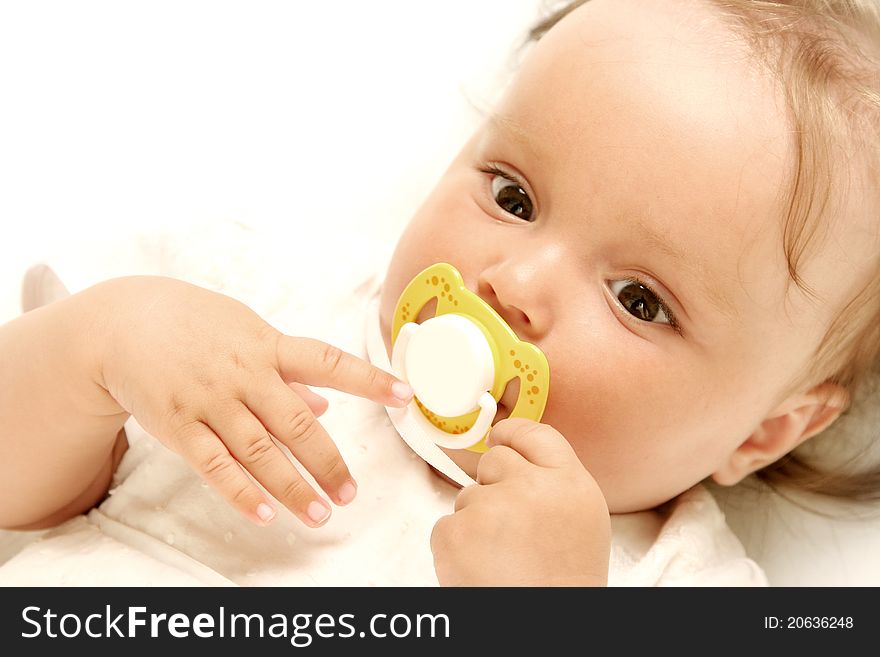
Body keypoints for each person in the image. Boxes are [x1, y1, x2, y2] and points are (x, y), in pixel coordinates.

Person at [1, 0, 878, 586]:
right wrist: (106, 344)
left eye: (639, 299)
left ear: (765, 429)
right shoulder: (259, 309)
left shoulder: (676, 582)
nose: (515, 285)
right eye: (513, 198)